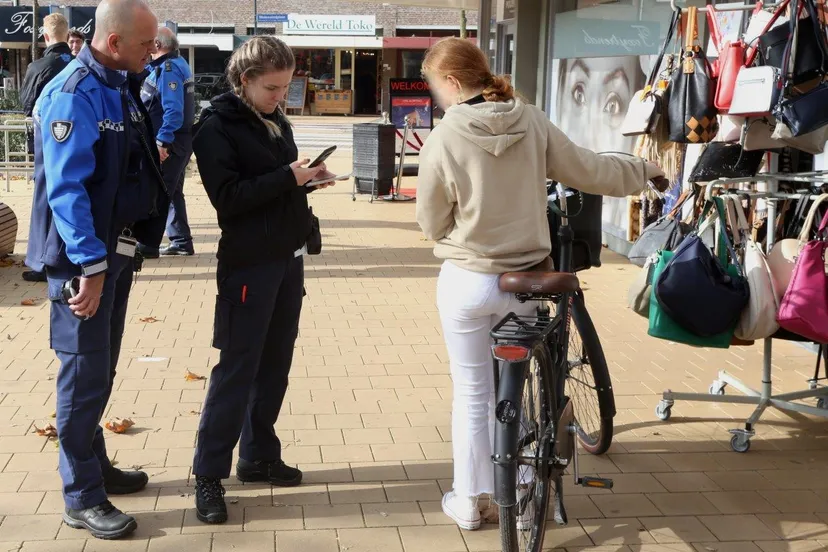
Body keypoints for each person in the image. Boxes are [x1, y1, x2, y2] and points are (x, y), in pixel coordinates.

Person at [415, 38, 667, 531]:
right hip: (526, 280)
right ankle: (530, 472)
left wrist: (458, 234)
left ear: (450, 83)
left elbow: (429, 220)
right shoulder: (531, 120)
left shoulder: (444, 137)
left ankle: (469, 501)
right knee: (530, 373)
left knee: (472, 392)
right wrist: (644, 170)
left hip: (467, 281)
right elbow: (590, 169)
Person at [24, 0, 168, 540]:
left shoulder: (117, 82)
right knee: (83, 376)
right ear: (113, 42)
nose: (153, 51)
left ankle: (95, 466)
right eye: (145, 43)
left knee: (100, 370)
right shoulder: (75, 92)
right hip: (85, 264)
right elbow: (67, 191)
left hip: (113, 255)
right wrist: (91, 264)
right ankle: (80, 496)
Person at [190, 35, 334, 525]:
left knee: (275, 362)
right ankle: (209, 474)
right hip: (250, 264)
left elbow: (275, 182)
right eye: (272, 88)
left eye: (286, 87)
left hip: (286, 257)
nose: (281, 97)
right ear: (244, 80)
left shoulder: (271, 119)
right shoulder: (215, 126)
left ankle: (257, 455)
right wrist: (288, 180)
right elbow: (228, 199)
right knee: (238, 368)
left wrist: (309, 178)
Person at [19, 13, 74, 284]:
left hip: (47, 141)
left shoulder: (38, 66)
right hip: (77, 141)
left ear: (45, 36)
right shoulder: (79, 66)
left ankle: (41, 261)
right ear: (67, 34)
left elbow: (26, 105)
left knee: (44, 198)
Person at [139, 26, 196, 258]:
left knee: (159, 192)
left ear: (158, 45)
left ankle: (148, 244)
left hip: (171, 141)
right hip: (180, 140)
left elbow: (173, 111)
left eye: (150, 41)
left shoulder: (168, 69)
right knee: (173, 192)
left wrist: (162, 142)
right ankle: (181, 241)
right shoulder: (178, 64)